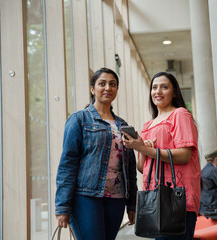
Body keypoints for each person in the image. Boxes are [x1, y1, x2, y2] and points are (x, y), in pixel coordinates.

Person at [55, 68, 137, 240]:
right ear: (92, 89)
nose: (108, 87)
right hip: (86, 197)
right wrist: (62, 206)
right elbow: (68, 164)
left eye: (112, 84)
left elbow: (129, 168)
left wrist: (132, 204)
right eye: (102, 83)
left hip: (117, 198)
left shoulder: (123, 125)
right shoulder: (79, 119)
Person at [123, 72, 201, 240]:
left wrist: (147, 150)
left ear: (174, 92)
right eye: (154, 87)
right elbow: (142, 168)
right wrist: (143, 148)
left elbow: (184, 155)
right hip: (155, 200)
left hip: (177, 200)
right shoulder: (148, 125)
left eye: (164, 87)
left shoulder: (180, 114)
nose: (158, 91)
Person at [199, 149, 217, 220]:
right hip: (214, 209)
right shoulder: (214, 170)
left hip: (204, 208)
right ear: (216, 159)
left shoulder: (202, 171)